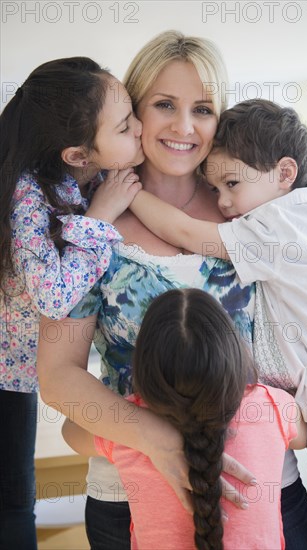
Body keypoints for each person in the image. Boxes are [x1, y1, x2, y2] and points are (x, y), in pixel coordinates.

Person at [37, 31, 307, 550]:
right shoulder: (86, 223)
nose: (184, 127)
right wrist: (156, 439)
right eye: (164, 104)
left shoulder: (251, 208)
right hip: (129, 497)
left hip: (266, 489)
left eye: (204, 109)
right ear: (135, 112)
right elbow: (56, 377)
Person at [128, 98, 307, 548]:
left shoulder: (277, 226)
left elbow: (183, 231)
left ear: (284, 173)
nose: (224, 202)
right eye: (215, 189)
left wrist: (129, 191)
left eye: (232, 183)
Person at [0, 56, 143, 549]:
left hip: (21, 370)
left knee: (16, 494)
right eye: (126, 125)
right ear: (79, 154)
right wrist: (100, 218)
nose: (140, 128)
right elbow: (53, 295)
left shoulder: (91, 177)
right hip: (3, 370)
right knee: (13, 502)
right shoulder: (30, 193)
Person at [63, 288, 307, 550]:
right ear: (233, 354)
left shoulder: (130, 428)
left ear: (144, 368)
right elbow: (302, 436)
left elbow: (71, 432)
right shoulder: (271, 407)